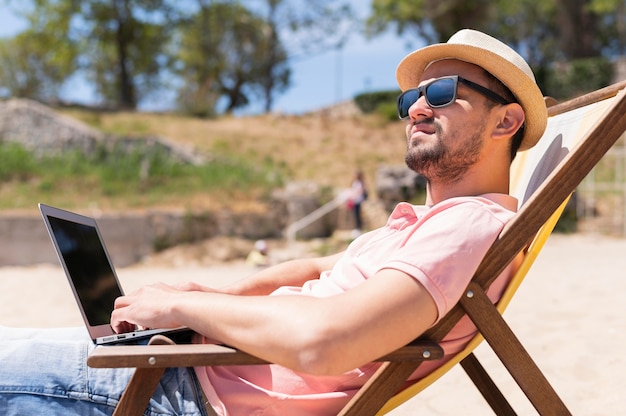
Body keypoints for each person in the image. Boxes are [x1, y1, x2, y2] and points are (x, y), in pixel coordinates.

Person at [0, 29, 547, 416]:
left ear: (508, 119)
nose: (418, 109)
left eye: (444, 92)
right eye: (412, 97)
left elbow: (323, 343)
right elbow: (314, 263)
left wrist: (182, 307)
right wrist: (212, 291)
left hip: (183, 392)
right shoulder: (418, 226)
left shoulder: (466, 226)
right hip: (187, 364)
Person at [347, 170, 367, 236]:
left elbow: (360, 191)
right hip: (354, 201)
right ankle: (356, 228)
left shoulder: (361, 183)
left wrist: (354, 195)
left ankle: (359, 228)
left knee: (357, 215)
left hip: (358, 201)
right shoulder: (354, 182)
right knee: (355, 215)